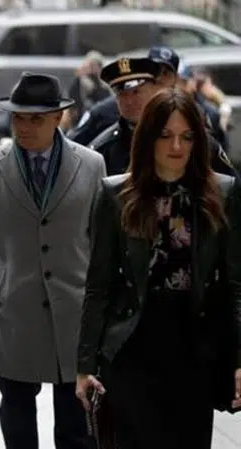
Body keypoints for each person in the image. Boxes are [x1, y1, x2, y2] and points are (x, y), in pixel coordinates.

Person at [0, 72, 105, 449]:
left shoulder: (91, 164)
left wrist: (96, 293)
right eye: (18, 117)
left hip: (75, 311)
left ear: (58, 117)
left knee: (76, 419)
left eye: (36, 118)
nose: (24, 127)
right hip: (16, 310)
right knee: (17, 410)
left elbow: (102, 238)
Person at [76, 88, 241, 449]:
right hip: (132, 345)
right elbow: (98, 283)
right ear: (148, 137)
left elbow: (236, 283)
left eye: (187, 136)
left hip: (195, 346)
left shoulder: (223, 192)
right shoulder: (115, 195)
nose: (176, 146)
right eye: (165, 135)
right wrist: (85, 365)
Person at [89, 56, 235, 177]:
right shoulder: (104, 148)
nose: (129, 101)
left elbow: (231, 187)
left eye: (136, 92)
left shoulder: (191, 136)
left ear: (155, 89)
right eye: (121, 95)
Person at [68, 46, 179, 146]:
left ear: (176, 79)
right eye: (156, 71)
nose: (159, 78)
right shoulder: (103, 113)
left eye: (166, 73)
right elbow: (73, 144)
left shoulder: (180, 112)